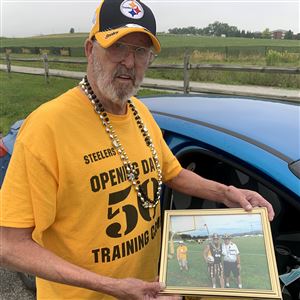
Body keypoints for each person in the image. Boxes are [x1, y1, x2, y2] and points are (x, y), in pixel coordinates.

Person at [0, 0, 274, 299]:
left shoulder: (140, 113)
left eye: (141, 51)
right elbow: (10, 246)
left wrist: (227, 192)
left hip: (146, 291)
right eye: (117, 46)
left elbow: (172, 173)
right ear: (90, 50)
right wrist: (113, 287)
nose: (129, 62)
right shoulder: (46, 128)